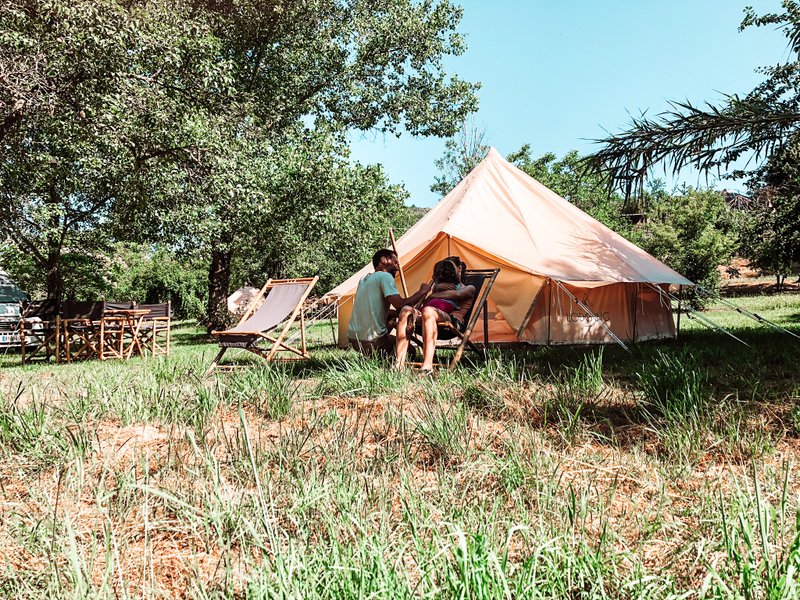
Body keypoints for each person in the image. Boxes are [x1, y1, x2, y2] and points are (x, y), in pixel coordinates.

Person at [395, 257, 475, 372]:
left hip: (449, 318)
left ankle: (427, 366)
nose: (446, 273)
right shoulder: (438, 289)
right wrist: (432, 290)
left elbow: (458, 295)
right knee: (406, 310)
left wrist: (434, 294)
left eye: (450, 269)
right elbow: (427, 302)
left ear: (460, 268)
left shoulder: (469, 288)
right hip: (426, 315)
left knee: (428, 311)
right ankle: (399, 364)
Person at [347, 248, 430, 357]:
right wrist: (422, 292)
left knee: (390, 320)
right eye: (395, 262)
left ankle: (375, 357)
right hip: (371, 341)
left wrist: (397, 314)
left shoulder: (363, 279)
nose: (397, 267)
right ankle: (391, 361)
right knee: (410, 351)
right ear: (384, 260)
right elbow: (400, 305)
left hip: (353, 339)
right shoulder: (384, 276)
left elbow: (373, 310)